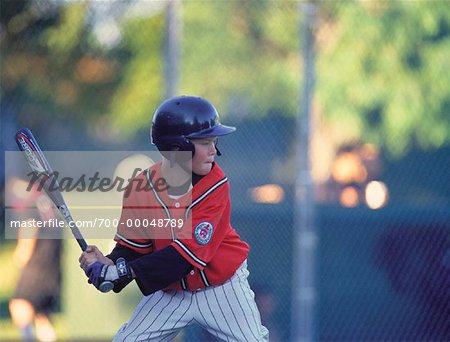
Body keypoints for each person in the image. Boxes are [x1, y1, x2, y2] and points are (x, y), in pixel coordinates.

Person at [79, 95, 269, 341]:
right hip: (172, 291)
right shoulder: (141, 187)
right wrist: (107, 264)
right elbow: (133, 248)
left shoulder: (215, 184)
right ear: (177, 148)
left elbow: (186, 255)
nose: (214, 150)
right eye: (205, 142)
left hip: (221, 286)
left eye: (214, 141)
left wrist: (122, 272)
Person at [8, 178, 62, 342]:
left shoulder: (30, 207)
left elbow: (29, 231)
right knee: (42, 316)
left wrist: (21, 254)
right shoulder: (51, 209)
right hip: (52, 271)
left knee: (19, 307)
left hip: (34, 270)